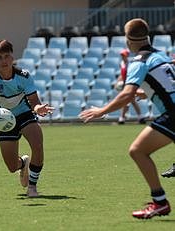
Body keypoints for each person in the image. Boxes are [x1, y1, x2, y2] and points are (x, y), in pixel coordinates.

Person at [79, 18, 175, 219]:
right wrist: (144, 93)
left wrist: (102, 110)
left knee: (137, 151)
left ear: (127, 40)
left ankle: (160, 202)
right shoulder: (160, 56)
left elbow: (126, 95)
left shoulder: (139, 61)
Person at [0, 39, 54, 197]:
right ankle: (23, 163)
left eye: (6, 56)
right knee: (12, 167)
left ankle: (32, 188)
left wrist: (38, 108)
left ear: (12, 57)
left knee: (38, 145)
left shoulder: (24, 76)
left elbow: (34, 102)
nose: (3, 61)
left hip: (24, 114)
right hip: (3, 121)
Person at [115, 48, 145, 125]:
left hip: (129, 84)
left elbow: (131, 75)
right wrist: (118, 81)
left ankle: (122, 118)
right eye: (122, 55)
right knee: (130, 101)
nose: (122, 57)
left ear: (127, 56)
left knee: (128, 101)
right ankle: (139, 117)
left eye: (124, 55)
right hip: (125, 84)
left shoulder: (130, 64)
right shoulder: (122, 63)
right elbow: (122, 74)